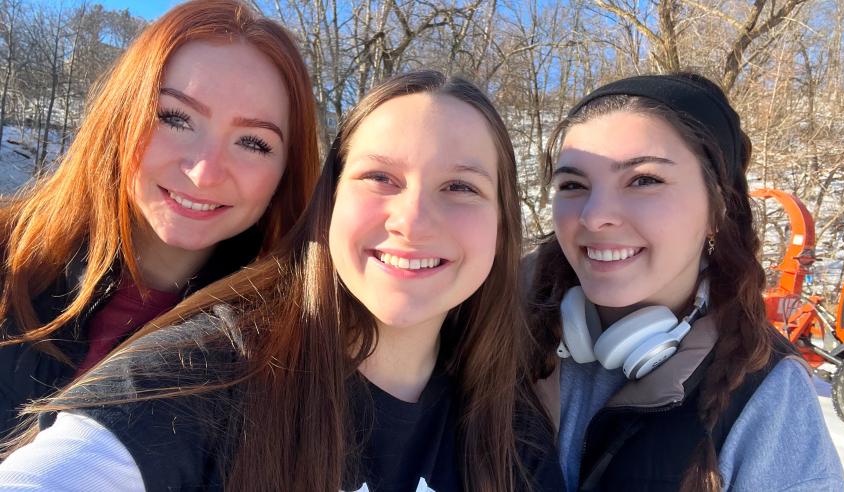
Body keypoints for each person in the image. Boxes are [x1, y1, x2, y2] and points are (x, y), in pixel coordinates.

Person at [0, 70, 564, 492]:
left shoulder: (513, 434)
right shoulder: (205, 374)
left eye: (461, 187)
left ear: (502, 224)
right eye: (380, 177)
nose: (413, 221)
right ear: (329, 205)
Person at [0, 0, 319, 439]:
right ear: (120, 119)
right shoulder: (8, 256)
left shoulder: (285, 354)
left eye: (253, 142)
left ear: (286, 172)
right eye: (175, 118)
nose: (204, 172)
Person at [526, 73, 844, 491]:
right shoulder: (486, 330)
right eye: (572, 185)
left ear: (718, 209)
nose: (594, 215)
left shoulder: (769, 397)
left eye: (644, 180)